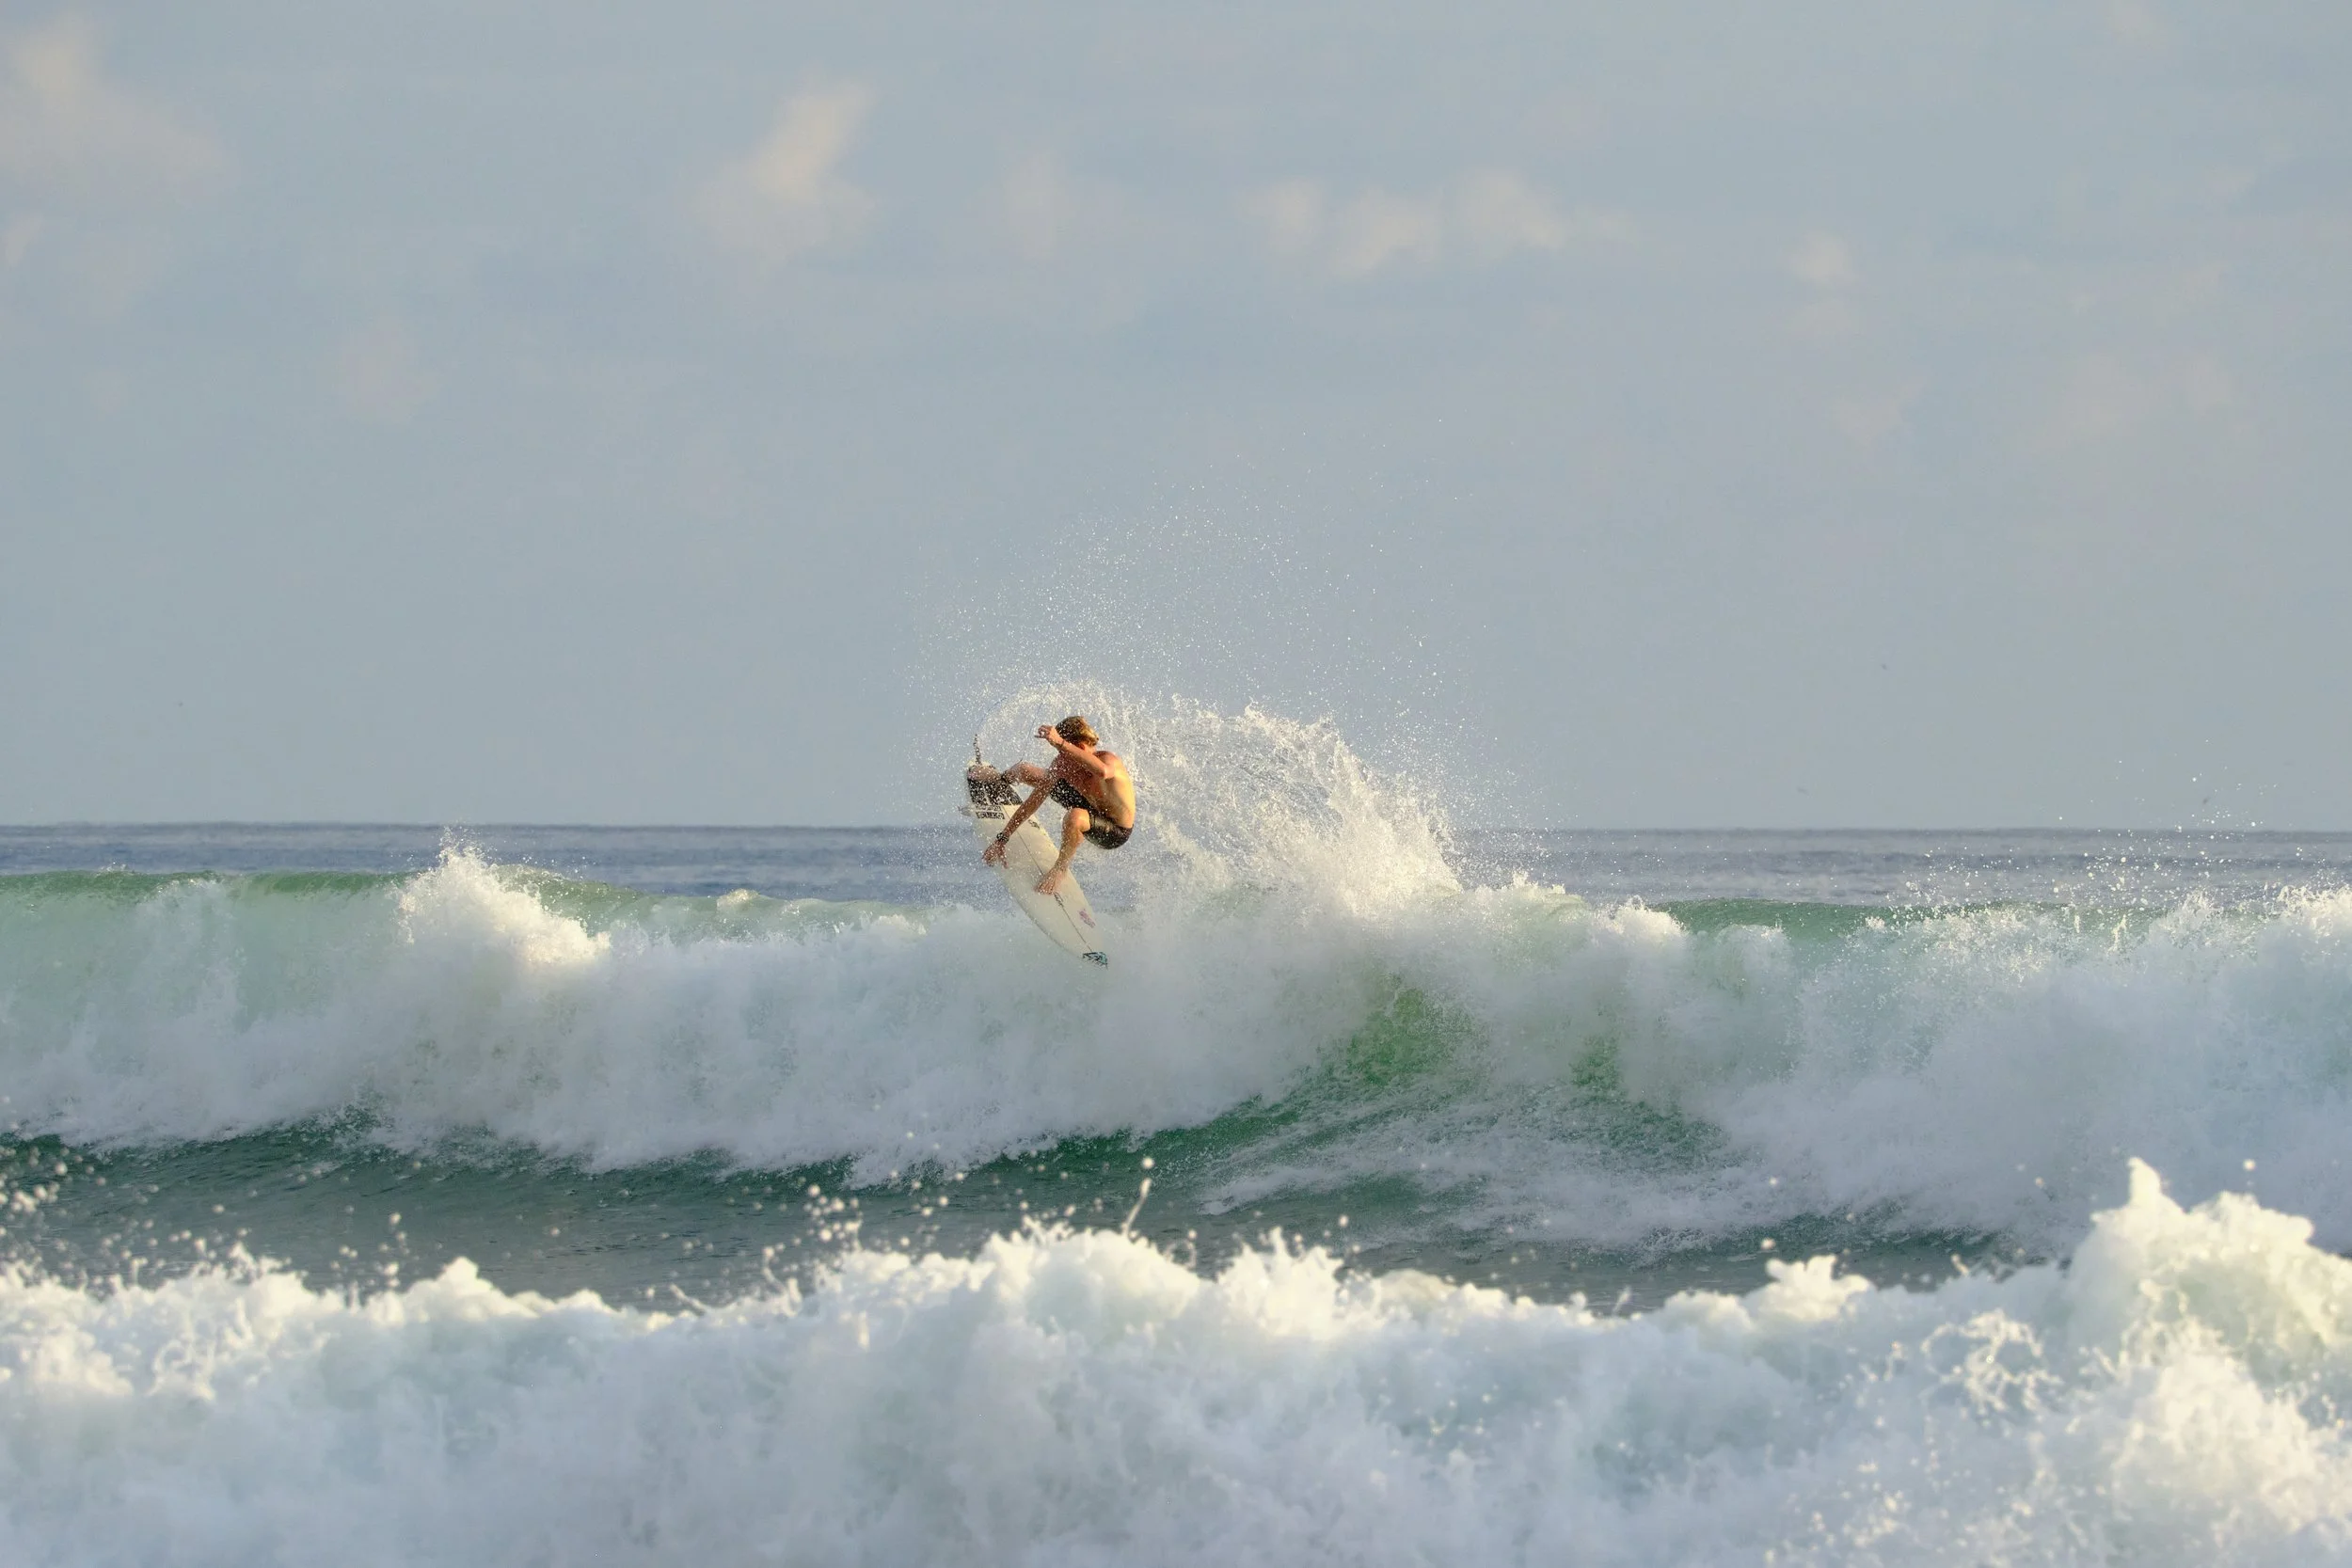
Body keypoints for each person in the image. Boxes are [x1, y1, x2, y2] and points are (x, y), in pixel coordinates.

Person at [978, 715, 1136, 895]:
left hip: (1114, 831)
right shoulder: (1063, 764)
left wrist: (1060, 742)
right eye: (1060, 752)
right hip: (1087, 807)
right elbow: (1033, 802)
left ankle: (1060, 869)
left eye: (1066, 751)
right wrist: (1002, 838)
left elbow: (1103, 772)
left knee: (1075, 817)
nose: (1063, 757)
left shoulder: (1109, 761)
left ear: (1082, 747)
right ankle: (999, 778)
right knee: (1024, 770)